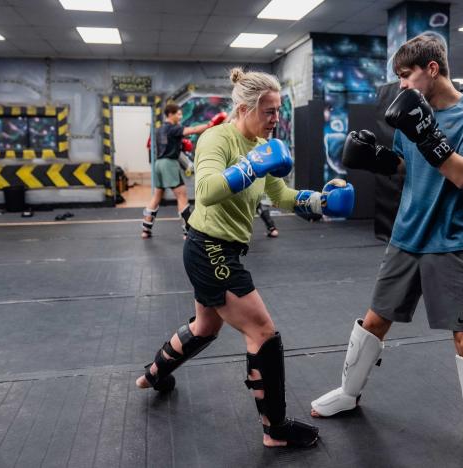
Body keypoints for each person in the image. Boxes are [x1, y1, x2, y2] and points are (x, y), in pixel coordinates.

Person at [135, 67, 355, 448]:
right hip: (209, 249)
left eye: (278, 111)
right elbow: (205, 191)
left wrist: (320, 201)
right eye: (269, 112)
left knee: (206, 327)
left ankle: (153, 375)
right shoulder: (216, 140)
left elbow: (281, 195)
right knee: (262, 333)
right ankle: (276, 429)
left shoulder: (263, 146)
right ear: (244, 109)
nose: (275, 120)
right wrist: (252, 164)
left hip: (224, 250)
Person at [311, 35, 463, 462]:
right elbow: (403, 164)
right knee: (374, 321)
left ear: (432, 69)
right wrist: (376, 158)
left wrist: (429, 133)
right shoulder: (411, 112)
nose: (402, 86)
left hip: (450, 241)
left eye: (406, 75)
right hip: (405, 236)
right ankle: (348, 392)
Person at [141, 104, 227, 239]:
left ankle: (146, 229)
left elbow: (150, 146)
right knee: (182, 196)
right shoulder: (173, 128)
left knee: (157, 196)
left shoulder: (158, 130)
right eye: (178, 114)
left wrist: (179, 145)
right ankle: (188, 231)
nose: (180, 117)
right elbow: (193, 130)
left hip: (158, 164)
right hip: (169, 163)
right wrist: (211, 124)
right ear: (170, 114)